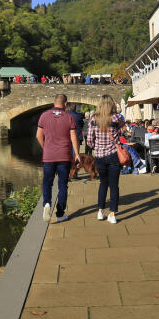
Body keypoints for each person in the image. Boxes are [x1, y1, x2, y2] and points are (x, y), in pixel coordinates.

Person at [36, 94, 81, 223]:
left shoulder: (44, 115)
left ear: (53, 102)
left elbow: (38, 135)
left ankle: (46, 204)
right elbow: (73, 137)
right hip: (64, 156)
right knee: (62, 185)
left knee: (47, 182)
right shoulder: (69, 117)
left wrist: (45, 148)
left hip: (49, 156)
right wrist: (77, 154)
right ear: (65, 104)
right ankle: (60, 213)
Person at [85, 94, 124, 224]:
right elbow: (122, 128)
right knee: (114, 185)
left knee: (103, 183)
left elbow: (89, 141)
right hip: (114, 155)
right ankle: (112, 214)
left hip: (100, 156)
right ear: (111, 105)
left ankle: (100, 212)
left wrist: (96, 146)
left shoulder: (93, 119)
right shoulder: (116, 117)